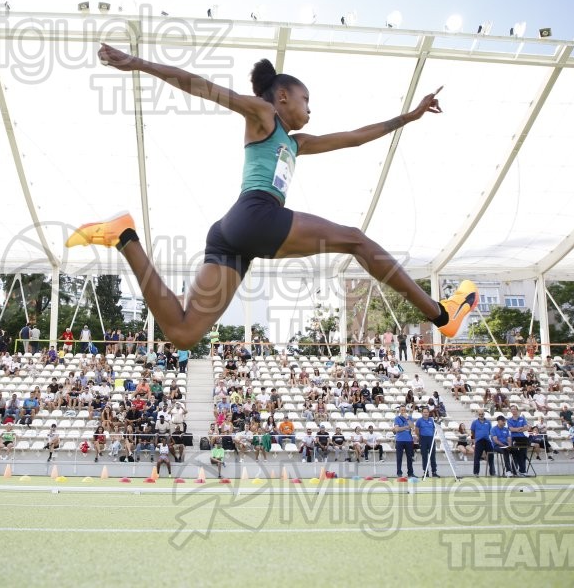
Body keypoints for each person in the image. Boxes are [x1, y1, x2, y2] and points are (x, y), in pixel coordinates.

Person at [66, 45, 478, 350]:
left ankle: (124, 237)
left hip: (231, 235)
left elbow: (353, 138)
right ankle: (442, 315)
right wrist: (138, 63)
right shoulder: (263, 116)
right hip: (256, 215)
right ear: (282, 97)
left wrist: (408, 116)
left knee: (184, 333)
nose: (310, 110)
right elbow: (202, 87)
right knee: (356, 239)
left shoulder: (296, 143)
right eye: (306, 101)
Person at [415, 408, 439, 478]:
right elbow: (416, 431)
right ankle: (426, 472)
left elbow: (435, 429)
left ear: (429, 413)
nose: (426, 413)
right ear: (422, 413)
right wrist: (420, 437)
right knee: (424, 457)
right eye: (424, 412)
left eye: (427, 412)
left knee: (433, 456)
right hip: (423, 439)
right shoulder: (419, 421)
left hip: (431, 439)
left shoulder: (431, 420)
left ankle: (434, 472)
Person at [506, 405, 530, 476]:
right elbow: (511, 429)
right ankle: (514, 471)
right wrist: (520, 428)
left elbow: (526, 428)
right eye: (512, 409)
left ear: (517, 410)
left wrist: (517, 429)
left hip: (522, 438)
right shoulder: (509, 420)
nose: (513, 410)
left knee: (523, 455)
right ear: (511, 411)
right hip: (514, 438)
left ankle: (522, 470)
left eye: (514, 409)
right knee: (515, 455)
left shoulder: (522, 418)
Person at [393, 405, 415, 478]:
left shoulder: (410, 418)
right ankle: (399, 473)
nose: (403, 411)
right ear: (399, 411)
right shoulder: (397, 418)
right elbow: (396, 429)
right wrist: (405, 427)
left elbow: (412, 427)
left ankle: (410, 473)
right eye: (402, 410)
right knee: (399, 457)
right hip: (400, 440)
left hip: (409, 440)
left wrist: (407, 419)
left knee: (409, 457)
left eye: (404, 410)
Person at [470, 411, 494, 477]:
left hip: (487, 441)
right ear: (478, 415)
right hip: (479, 441)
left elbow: (490, 432)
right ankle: (476, 473)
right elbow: (472, 432)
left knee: (491, 456)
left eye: (482, 414)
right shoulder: (474, 422)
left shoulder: (488, 422)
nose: (481, 415)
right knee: (477, 457)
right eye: (480, 414)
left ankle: (492, 472)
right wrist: (473, 440)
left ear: (484, 414)